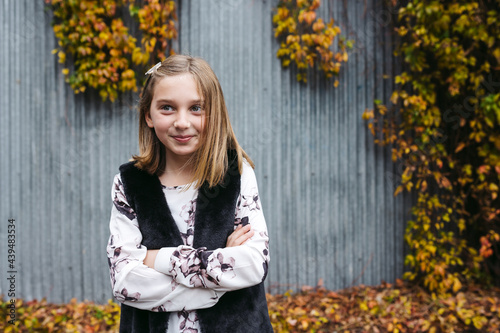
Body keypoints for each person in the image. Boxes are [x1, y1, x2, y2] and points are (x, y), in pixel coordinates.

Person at [106, 55, 273, 333]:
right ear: (148, 115)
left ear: (215, 113)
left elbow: (253, 265)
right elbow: (125, 282)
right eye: (167, 108)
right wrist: (219, 280)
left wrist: (156, 259)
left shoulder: (236, 173)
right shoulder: (129, 183)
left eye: (196, 108)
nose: (182, 122)